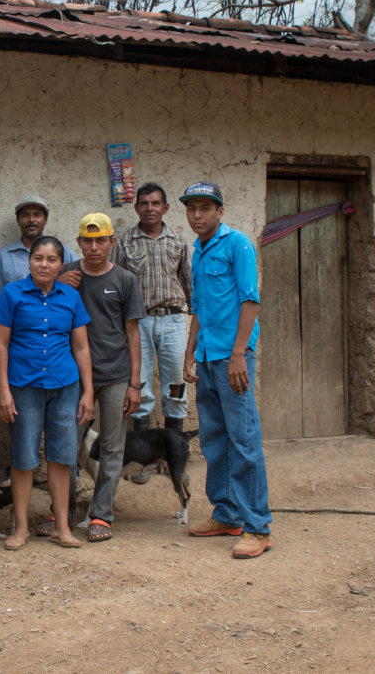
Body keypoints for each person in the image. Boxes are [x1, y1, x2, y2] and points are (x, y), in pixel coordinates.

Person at [180, 181, 273, 560]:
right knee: (215, 440)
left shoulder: (238, 244)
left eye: (205, 208)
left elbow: (250, 300)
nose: (197, 215)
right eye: (192, 209)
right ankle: (227, 514)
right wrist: (189, 353)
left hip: (233, 357)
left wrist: (239, 354)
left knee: (244, 439)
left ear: (220, 211)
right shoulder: (198, 250)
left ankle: (257, 528)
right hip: (206, 358)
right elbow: (199, 308)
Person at [0, 236, 94, 551]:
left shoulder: (71, 297)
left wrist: (88, 390)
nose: (44, 265)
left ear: (61, 264)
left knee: (62, 458)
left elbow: (80, 346)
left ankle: (62, 526)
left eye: (51, 259)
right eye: (38, 258)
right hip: (24, 386)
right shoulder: (12, 294)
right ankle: (20, 527)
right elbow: (1, 344)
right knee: (23, 459)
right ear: (29, 261)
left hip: (65, 385)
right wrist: (3, 391)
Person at [61, 213, 145, 542]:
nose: (94, 247)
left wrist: (135, 384)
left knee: (112, 446)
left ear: (112, 242)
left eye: (101, 241)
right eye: (87, 240)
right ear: (79, 243)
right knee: (66, 444)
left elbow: (133, 334)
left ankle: (102, 514)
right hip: (75, 376)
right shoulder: (68, 277)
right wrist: (58, 283)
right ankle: (62, 510)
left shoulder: (125, 280)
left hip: (115, 374)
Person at [112, 183, 193, 434]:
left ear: (165, 208)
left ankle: (173, 454)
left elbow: (187, 280)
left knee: (175, 386)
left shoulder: (178, 241)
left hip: (173, 321)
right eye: (144, 203)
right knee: (141, 386)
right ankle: (144, 458)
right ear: (136, 208)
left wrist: (197, 316)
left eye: (155, 203)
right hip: (139, 322)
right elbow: (115, 283)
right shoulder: (125, 241)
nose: (150, 208)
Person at [0, 194, 78, 289]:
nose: (31, 220)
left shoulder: (64, 253)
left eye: (37, 215)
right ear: (18, 220)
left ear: (45, 220)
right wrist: (55, 282)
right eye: (26, 215)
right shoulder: (3, 257)